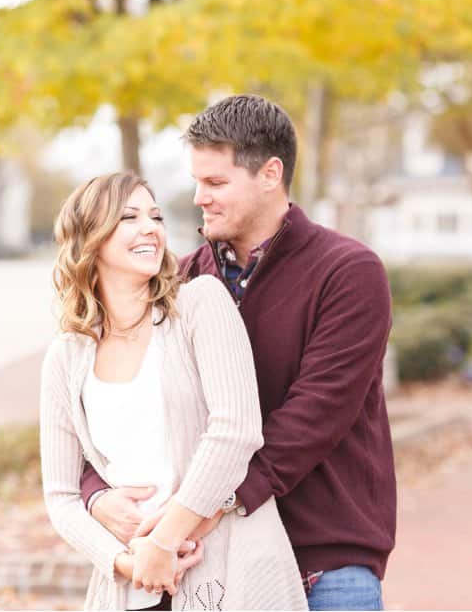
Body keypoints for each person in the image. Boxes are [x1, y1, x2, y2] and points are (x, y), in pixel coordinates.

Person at [80, 95, 396, 611]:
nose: (200, 197)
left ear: (270, 174)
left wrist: (209, 504)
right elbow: (114, 403)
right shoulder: (181, 280)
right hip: (210, 557)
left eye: (217, 183)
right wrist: (99, 494)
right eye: (197, 181)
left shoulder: (347, 273)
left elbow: (316, 414)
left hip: (322, 555)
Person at [40, 172, 307, 611]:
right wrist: (127, 562)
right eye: (129, 217)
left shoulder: (201, 304)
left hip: (226, 566)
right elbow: (62, 497)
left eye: (156, 215)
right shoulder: (66, 356)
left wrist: (164, 541)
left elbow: (236, 431)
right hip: (132, 587)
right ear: (88, 239)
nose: (150, 227)